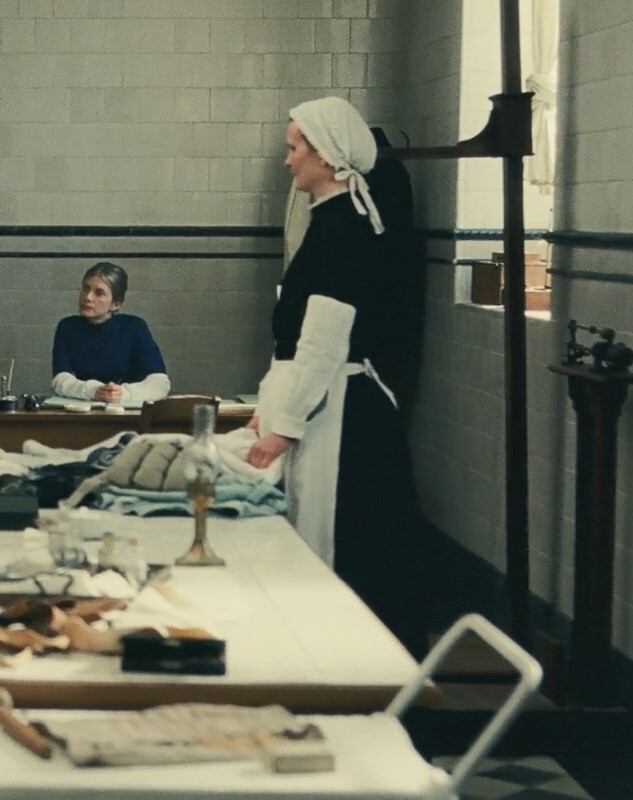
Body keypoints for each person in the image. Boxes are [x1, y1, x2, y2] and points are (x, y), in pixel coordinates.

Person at [245, 96, 424, 648]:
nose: (287, 160)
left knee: (342, 549)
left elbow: (322, 345)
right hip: (322, 405)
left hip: (344, 414)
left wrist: (282, 428)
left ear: (325, 155)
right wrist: (270, 409)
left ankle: (345, 664)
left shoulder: (344, 229)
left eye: (294, 148)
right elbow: (295, 341)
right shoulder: (332, 221)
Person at [50, 262, 171, 406]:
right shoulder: (68, 327)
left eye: (99, 293)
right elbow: (60, 379)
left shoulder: (134, 327)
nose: (87, 297)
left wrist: (124, 393)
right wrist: (94, 390)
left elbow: (160, 383)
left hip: (128, 410)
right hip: (84, 409)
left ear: (115, 304)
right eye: (85, 288)